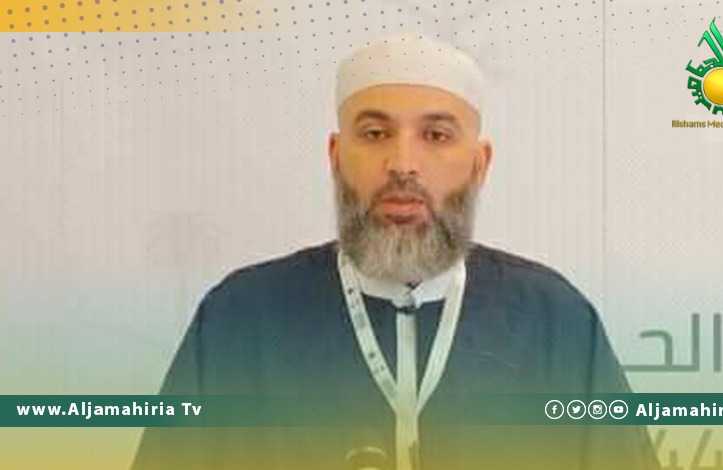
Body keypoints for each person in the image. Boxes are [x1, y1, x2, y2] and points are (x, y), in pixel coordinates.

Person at [133, 33, 660, 470]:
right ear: (337, 157)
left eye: (436, 135)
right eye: (375, 132)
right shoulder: (240, 321)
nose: (403, 163)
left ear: (479, 165)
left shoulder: (556, 323)